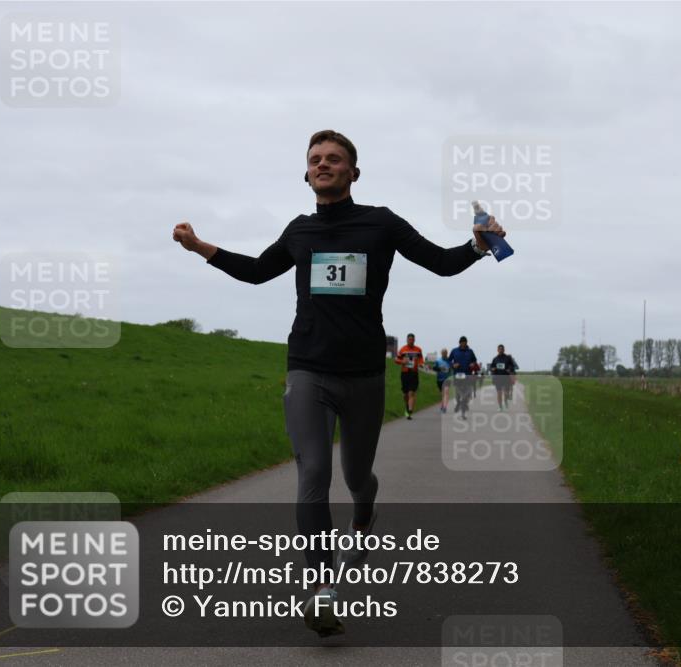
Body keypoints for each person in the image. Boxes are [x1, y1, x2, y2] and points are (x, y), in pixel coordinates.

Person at [171, 130, 505, 637]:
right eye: (315, 160)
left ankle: (366, 513)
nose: (323, 164)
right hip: (308, 367)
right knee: (313, 473)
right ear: (307, 174)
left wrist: (478, 245)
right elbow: (259, 271)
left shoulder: (381, 222)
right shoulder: (299, 231)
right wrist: (200, 247)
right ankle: (322, 591)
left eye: (334, 159)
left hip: (366, 373)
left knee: (357, 477)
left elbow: (441, 262)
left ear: (353, 172)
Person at [394, 333, 423, 419]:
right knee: (405, 394)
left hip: (414, 373)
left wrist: (421, 364)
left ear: (414, 340)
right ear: (407, 340)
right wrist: (402, 362)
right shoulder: (403, 349)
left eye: (412, 340)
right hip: (405, 373)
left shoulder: (418, 350)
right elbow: (396, 359)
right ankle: (407, 407)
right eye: (409, 339)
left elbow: (421, 359)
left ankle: (409, 411)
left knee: (411, 392)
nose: (411, 341)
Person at [447, 336, 477, 420]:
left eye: (465, 342)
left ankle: (463, 413)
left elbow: (474, 360)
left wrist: (472, 364)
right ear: (459, 343)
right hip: (458, 375)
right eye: (462, 342)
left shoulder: (470, 351)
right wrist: (453, 365)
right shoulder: (454, 351)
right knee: (457, 393)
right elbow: (449, 360)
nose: (464, 344)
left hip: (467, 375)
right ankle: (458, 403)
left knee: (466, 395)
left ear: (467, 343)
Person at [489, 344, 517, 411]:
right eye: (499, 349)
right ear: (497, 350)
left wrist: (509, 369)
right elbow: (491, 367)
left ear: (504, 350)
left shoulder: (507, 358)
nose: (501, 350)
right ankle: (500, 407)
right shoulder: (495, 359)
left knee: (506, 393)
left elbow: (512, 366)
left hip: (506, 378)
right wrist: (492, 369)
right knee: (499, 393)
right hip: (498, 378)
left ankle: (506, 401)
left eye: (502, 349)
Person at [432, 348, 452, 413]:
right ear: (441, 353)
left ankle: (444, 407)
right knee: (442, 394)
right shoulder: (438, 361)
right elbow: (434, 368)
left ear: (447, 353)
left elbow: (452, 368)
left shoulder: (449, 361)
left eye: (445, 353)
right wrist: (440, 368)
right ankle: (442, 405)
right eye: (443, 353)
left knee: (446, 392)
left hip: (447, 379)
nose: (444, 354)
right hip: (439, 379)